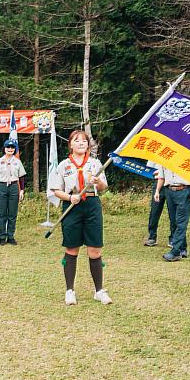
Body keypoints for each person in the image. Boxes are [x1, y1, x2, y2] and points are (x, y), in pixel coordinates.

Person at [49, 130, 111, 305]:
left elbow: (104, 186)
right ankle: (70, 290)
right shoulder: (63, 165)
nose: (81, 143)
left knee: (95, 249)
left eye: (84, 141)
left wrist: (97, 182)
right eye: (77, 140)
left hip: (92, 205)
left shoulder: (95, 163)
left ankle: (99, 290)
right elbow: (56, 190)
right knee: (72, 248)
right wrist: (69, 198)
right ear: (71, 144)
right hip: (72, 206)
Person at [155, 167, 190, 262]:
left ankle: (175, 251)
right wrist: (157, 190)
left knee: (181, 222)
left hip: (184, 190)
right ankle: (183, 248)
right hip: (169, 191)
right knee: (174, 221)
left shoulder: (188, 158)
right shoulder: (165, 158)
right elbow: (161, 177)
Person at [0, 140, 26, 245]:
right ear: (4, 148)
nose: (10, 149)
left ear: (14, 149)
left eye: (12, 148)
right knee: (2, 213)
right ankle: (2, 237)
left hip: (14, 187)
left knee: (12, 213)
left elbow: (21, 176)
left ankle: (10, 236)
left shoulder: (17, 161)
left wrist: (22, 190)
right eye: (8, 147)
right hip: (2, 186)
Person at [143, 161, 166, 247]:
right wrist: (161, 172)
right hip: (157, 183)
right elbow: (148, 170)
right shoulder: (155, 154)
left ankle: (173, 239)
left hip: (171, 184)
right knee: (154, 211)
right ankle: (152, 237)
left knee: (173, 213)